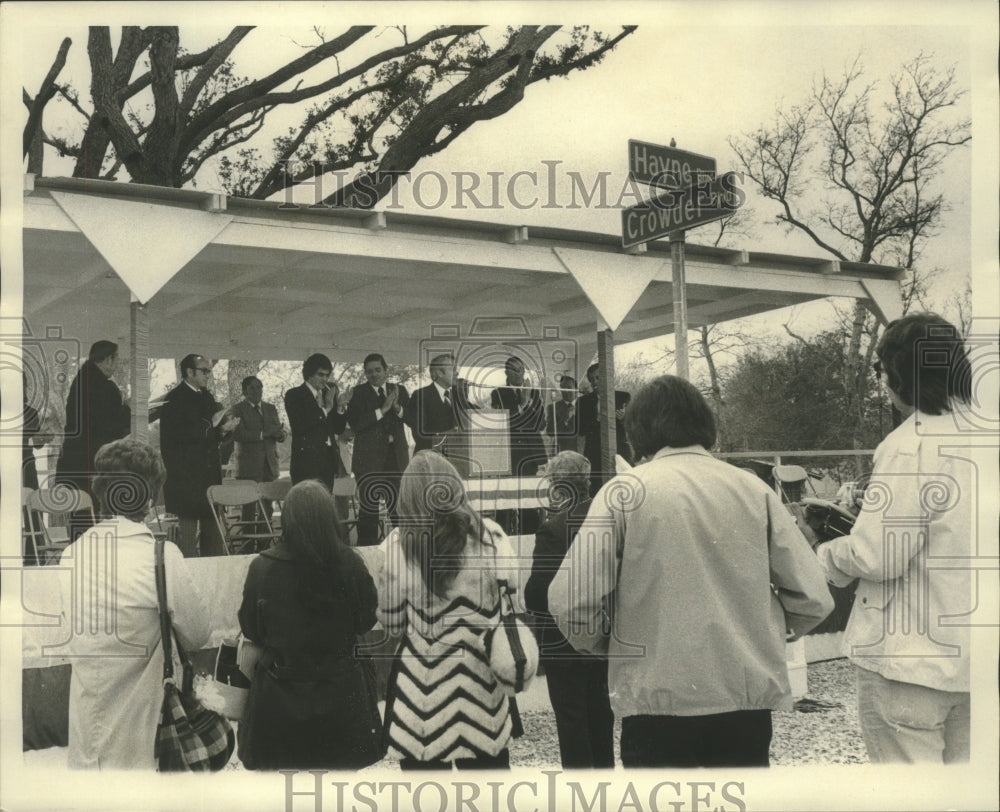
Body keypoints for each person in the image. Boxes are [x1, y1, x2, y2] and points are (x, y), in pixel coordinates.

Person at [549, 376, 833, 768]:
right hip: (743, 697)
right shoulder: (754, 490)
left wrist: (608, 646)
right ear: (705, 425)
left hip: (656, 700)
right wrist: (767, 633)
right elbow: (813, 596)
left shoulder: (622, 493)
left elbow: (571, 601)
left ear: (637, 433)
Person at [810, 313, 973, 764]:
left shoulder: (910, 444)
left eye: (881, 370)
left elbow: (878, 555)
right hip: (976, 661)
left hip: (910, 661)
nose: (881, 382)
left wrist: (822, 554)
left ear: (900, 372)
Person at [59, 439, 210, 769]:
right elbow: (198, 634)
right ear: (153, 495)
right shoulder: (161, 557)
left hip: (86, 738)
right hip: (140, 743)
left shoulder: (70, 555)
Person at [377, 451, 519, 770]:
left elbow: (391, 623)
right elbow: (512, 591)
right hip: (482, 692)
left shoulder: (398, 546)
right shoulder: (491, 536)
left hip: (422, 705)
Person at [237, 480, 382, 770]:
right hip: (343, 700)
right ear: (330, 517)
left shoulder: (262, 568)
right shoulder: (350, 564)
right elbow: (366, 619)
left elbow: (252, 629)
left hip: (281, 701)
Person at [524, 451, 614, 769]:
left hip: (562, 640)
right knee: (600, 714)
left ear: (557, 486)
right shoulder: (607, 519)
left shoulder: (554, 529)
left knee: (573, 722)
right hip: (602, 631)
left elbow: (538, 593)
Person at [159, 354, 239, 557]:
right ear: (189, 372)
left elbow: (212, 433)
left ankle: (211, 575)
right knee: (187, 535)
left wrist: (224, 429)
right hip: (187, 476)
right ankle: (186, 577)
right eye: (204, 371)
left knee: (212, 532)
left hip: (208, 474)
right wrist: (210, 425)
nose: (208, 375)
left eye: (209, 371)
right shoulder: (174, 399)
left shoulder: (206, 396)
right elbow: (179, 437)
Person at [55, 340, 131, 540]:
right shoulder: (105, 387)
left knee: (80, 523)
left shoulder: (79, 381)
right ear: (107, 359)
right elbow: (113, 427)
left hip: (73, 463)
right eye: (116, 360)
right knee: (100, 523)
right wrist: (129, 410)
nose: (116, 366)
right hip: (96, 463)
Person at [347, 352, 410, 546]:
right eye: (369, 372)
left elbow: (410, 418)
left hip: (396, 459)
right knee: (369, 514)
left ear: (386, 370)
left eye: (377, 370)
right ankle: (367, 559)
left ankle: (405, 554)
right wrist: (382, 410)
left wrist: (397, 407)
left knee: (399, 511)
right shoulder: (358, 393)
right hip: (368, 462)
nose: (373, 375)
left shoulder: (399, 390)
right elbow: (356, 424)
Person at [284, 353, 349, 489]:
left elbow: (338, 429)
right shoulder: (294, 395)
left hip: (328, 464)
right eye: (320, 374)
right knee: (306, 507)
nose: (325, 379)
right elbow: (299, 426)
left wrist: (340, 408)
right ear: (309, 374)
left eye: (327, 375)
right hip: (305, 464)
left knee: (324, 506)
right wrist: (327, 408)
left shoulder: (328, 394)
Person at [231, 375, 287, 524]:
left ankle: (264, 543)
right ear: (244, 391)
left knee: (268, 505)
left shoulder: (270, 408)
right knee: (249, 507)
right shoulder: (237, 409)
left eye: (259, 387)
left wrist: (281, 434)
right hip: (249, 466)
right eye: (252, 388)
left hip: (270, 464)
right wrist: (264, 434)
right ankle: (248, 546)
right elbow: (237, 434)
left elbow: (279, 431)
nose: (257, 391)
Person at [577, 363, 632, 496]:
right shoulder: (583, 401)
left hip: (619, 452)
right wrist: (595, 420)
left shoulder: (623, 397)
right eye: (591, 379)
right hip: (594, 453)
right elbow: (580, 430)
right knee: (597, 491)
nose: (595, 382)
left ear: (608, 377)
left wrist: (625, 418)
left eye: (598, 378)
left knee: (624, 489)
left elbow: (633, 426)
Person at [407, 352, 476, 454]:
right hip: (431, 458)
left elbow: (474, 413)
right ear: (439, 373)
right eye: (452, 369)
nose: (457, 373)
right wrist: (450, 435)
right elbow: (420, 435)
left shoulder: (456, 396)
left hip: (455, 458)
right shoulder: (421, 396)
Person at [490, 355, 547, 477]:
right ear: (506, 373)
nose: (518, 373)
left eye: (520, 369)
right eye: (513, 370)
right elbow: (502, 424)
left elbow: (541, 424)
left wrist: (529, 406)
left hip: (533, 453)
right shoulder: (498, 393)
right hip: (511, 453)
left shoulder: (534, 393)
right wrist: (522, 404)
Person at [544, 374, 580, 455]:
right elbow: (550, 431)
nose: (566, 391)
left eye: (569, 388)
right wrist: (565, 420)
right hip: (562, 453)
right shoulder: (553, 407)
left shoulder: (584, 405)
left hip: (581, 451)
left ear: (576, 389)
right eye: (563, 388)